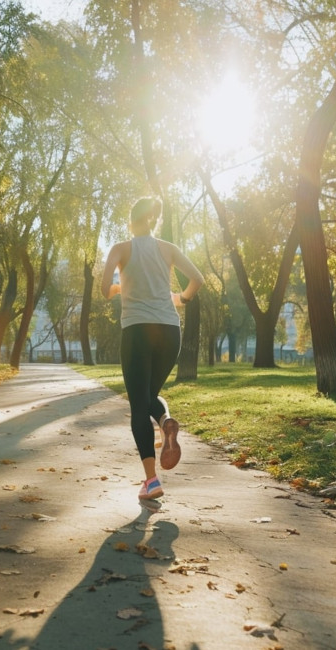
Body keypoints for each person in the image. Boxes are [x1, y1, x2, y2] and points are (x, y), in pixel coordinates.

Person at [101, 197, 204, 500]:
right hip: (170, 331)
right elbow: (197, 279)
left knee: (138, 404)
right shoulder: (167, 248)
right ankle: (164, 422)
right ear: (154, 221)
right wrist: (180, 299)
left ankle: (152, 481)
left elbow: (104, 288)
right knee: (148, 397)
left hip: (137, 332)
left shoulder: (120, 249)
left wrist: (119, 288)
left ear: (130, 221)